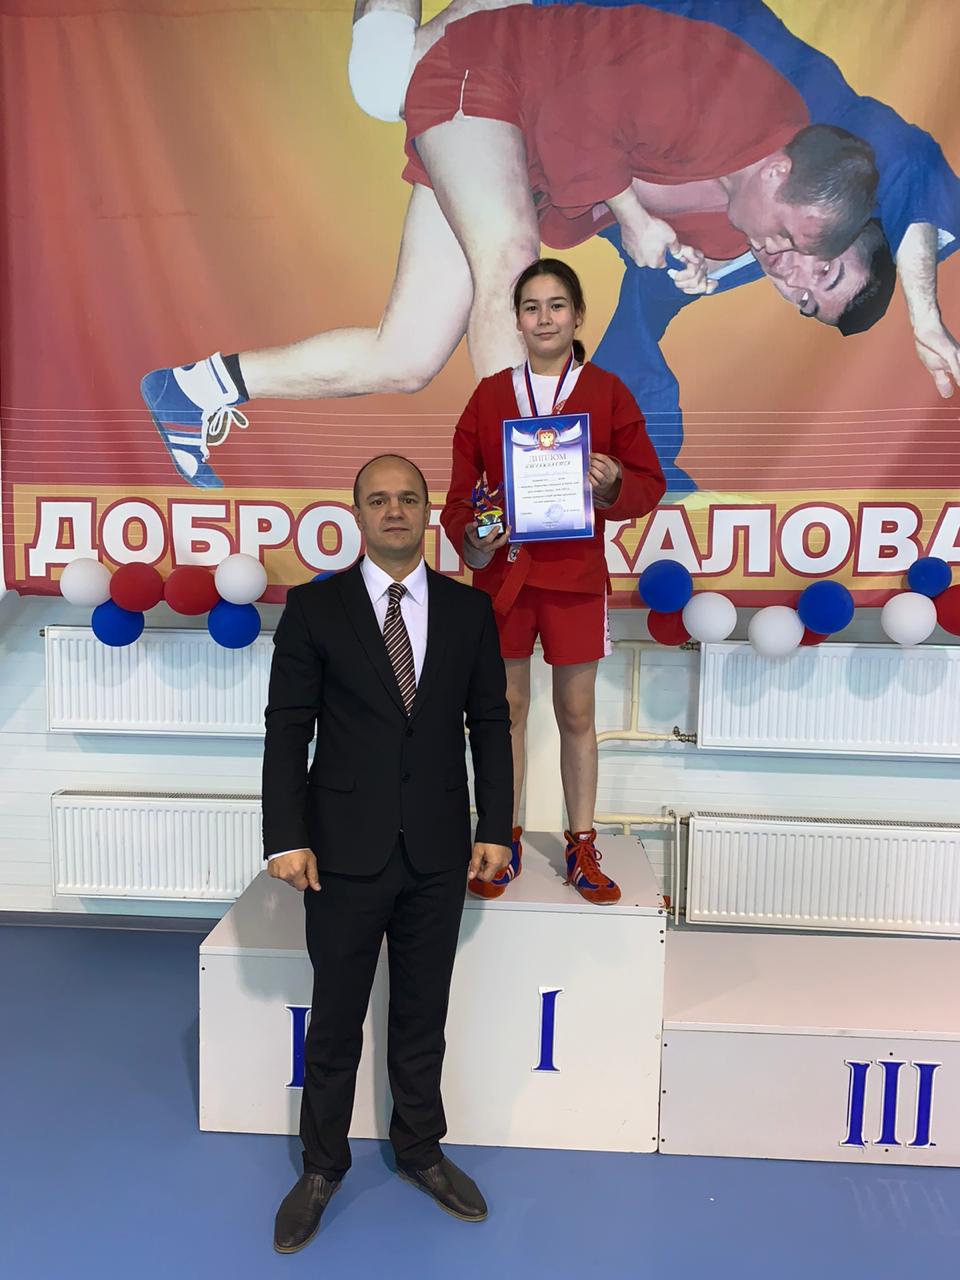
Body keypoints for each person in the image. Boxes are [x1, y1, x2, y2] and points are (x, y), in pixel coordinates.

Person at [139, 3, 880, 490]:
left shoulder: (744, 227)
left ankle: (191, 389)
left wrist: (669, 250)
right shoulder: (736, 100)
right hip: (497, 72)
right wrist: (632, 215)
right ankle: (528, 476)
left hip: (518, 157)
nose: (789, 270)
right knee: (510, 258)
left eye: (804, 299)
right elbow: (579, 116)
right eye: (813, 258)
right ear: (786, 176)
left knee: (404, 356)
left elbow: (620, 206)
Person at [262, 453, 513, 1252]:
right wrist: (285, 835)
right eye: (379, 499)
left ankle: (420, 1149)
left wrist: (496, 826)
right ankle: (321, 1167)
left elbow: (489, 724)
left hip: (438, 850)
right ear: (358, 514)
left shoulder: (469, 612)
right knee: (335, 1019)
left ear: (427, 511)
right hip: (340, 851)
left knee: (421, 1014)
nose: (394, 510)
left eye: (408, 498)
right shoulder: (314, 608)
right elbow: (288, 728)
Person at [441, 258, 665, 905]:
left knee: (576, 712)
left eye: (557, 305)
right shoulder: (490, 396)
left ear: (577, 315)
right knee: (504, 712)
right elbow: (460, 499)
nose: (544, 318)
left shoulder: (607, 392)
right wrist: (475, 536)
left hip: (573, 578)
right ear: (516, 320)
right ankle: (500, 839)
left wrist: (613, 482)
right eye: (532, 306)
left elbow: (647, 483)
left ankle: (582, 843)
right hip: (505, 578)